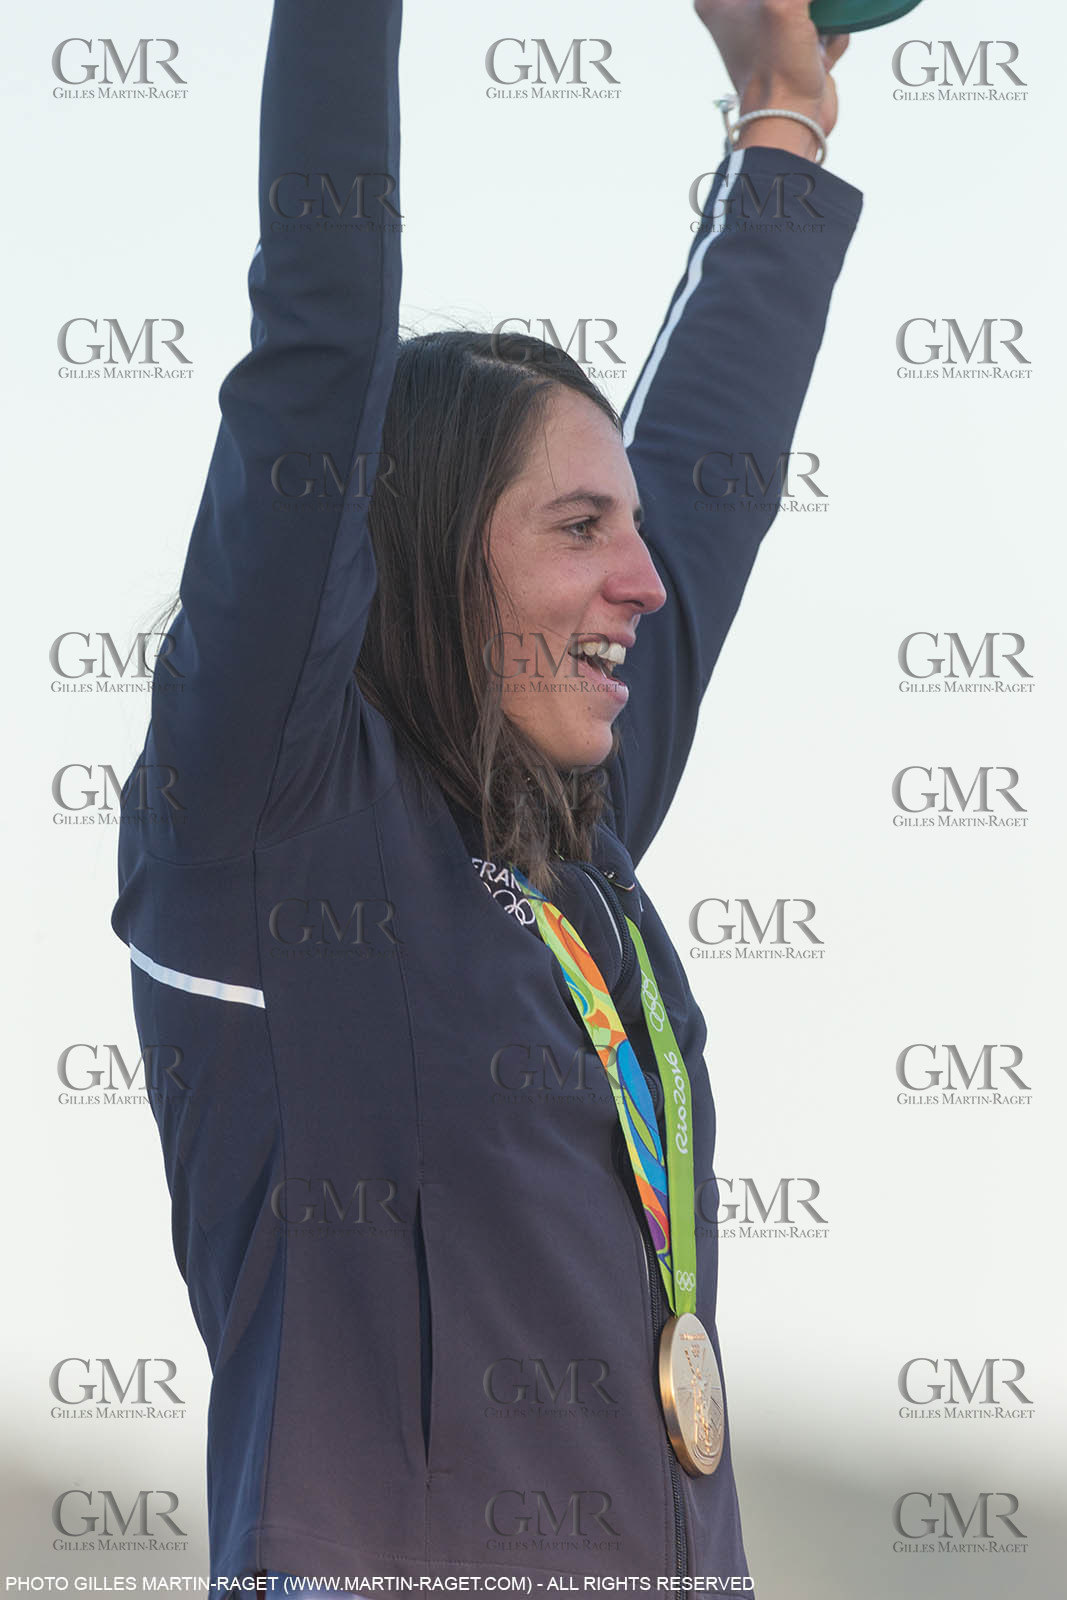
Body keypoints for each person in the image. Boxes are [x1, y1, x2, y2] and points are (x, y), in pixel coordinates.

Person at [111, 0, 861, 1589]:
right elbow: (317, 343)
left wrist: (784, 114)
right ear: (429, 556)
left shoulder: (563, 847)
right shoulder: (269, 825)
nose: (645, 585)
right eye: (579, 526)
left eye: (630, 530)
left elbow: (716, 473)